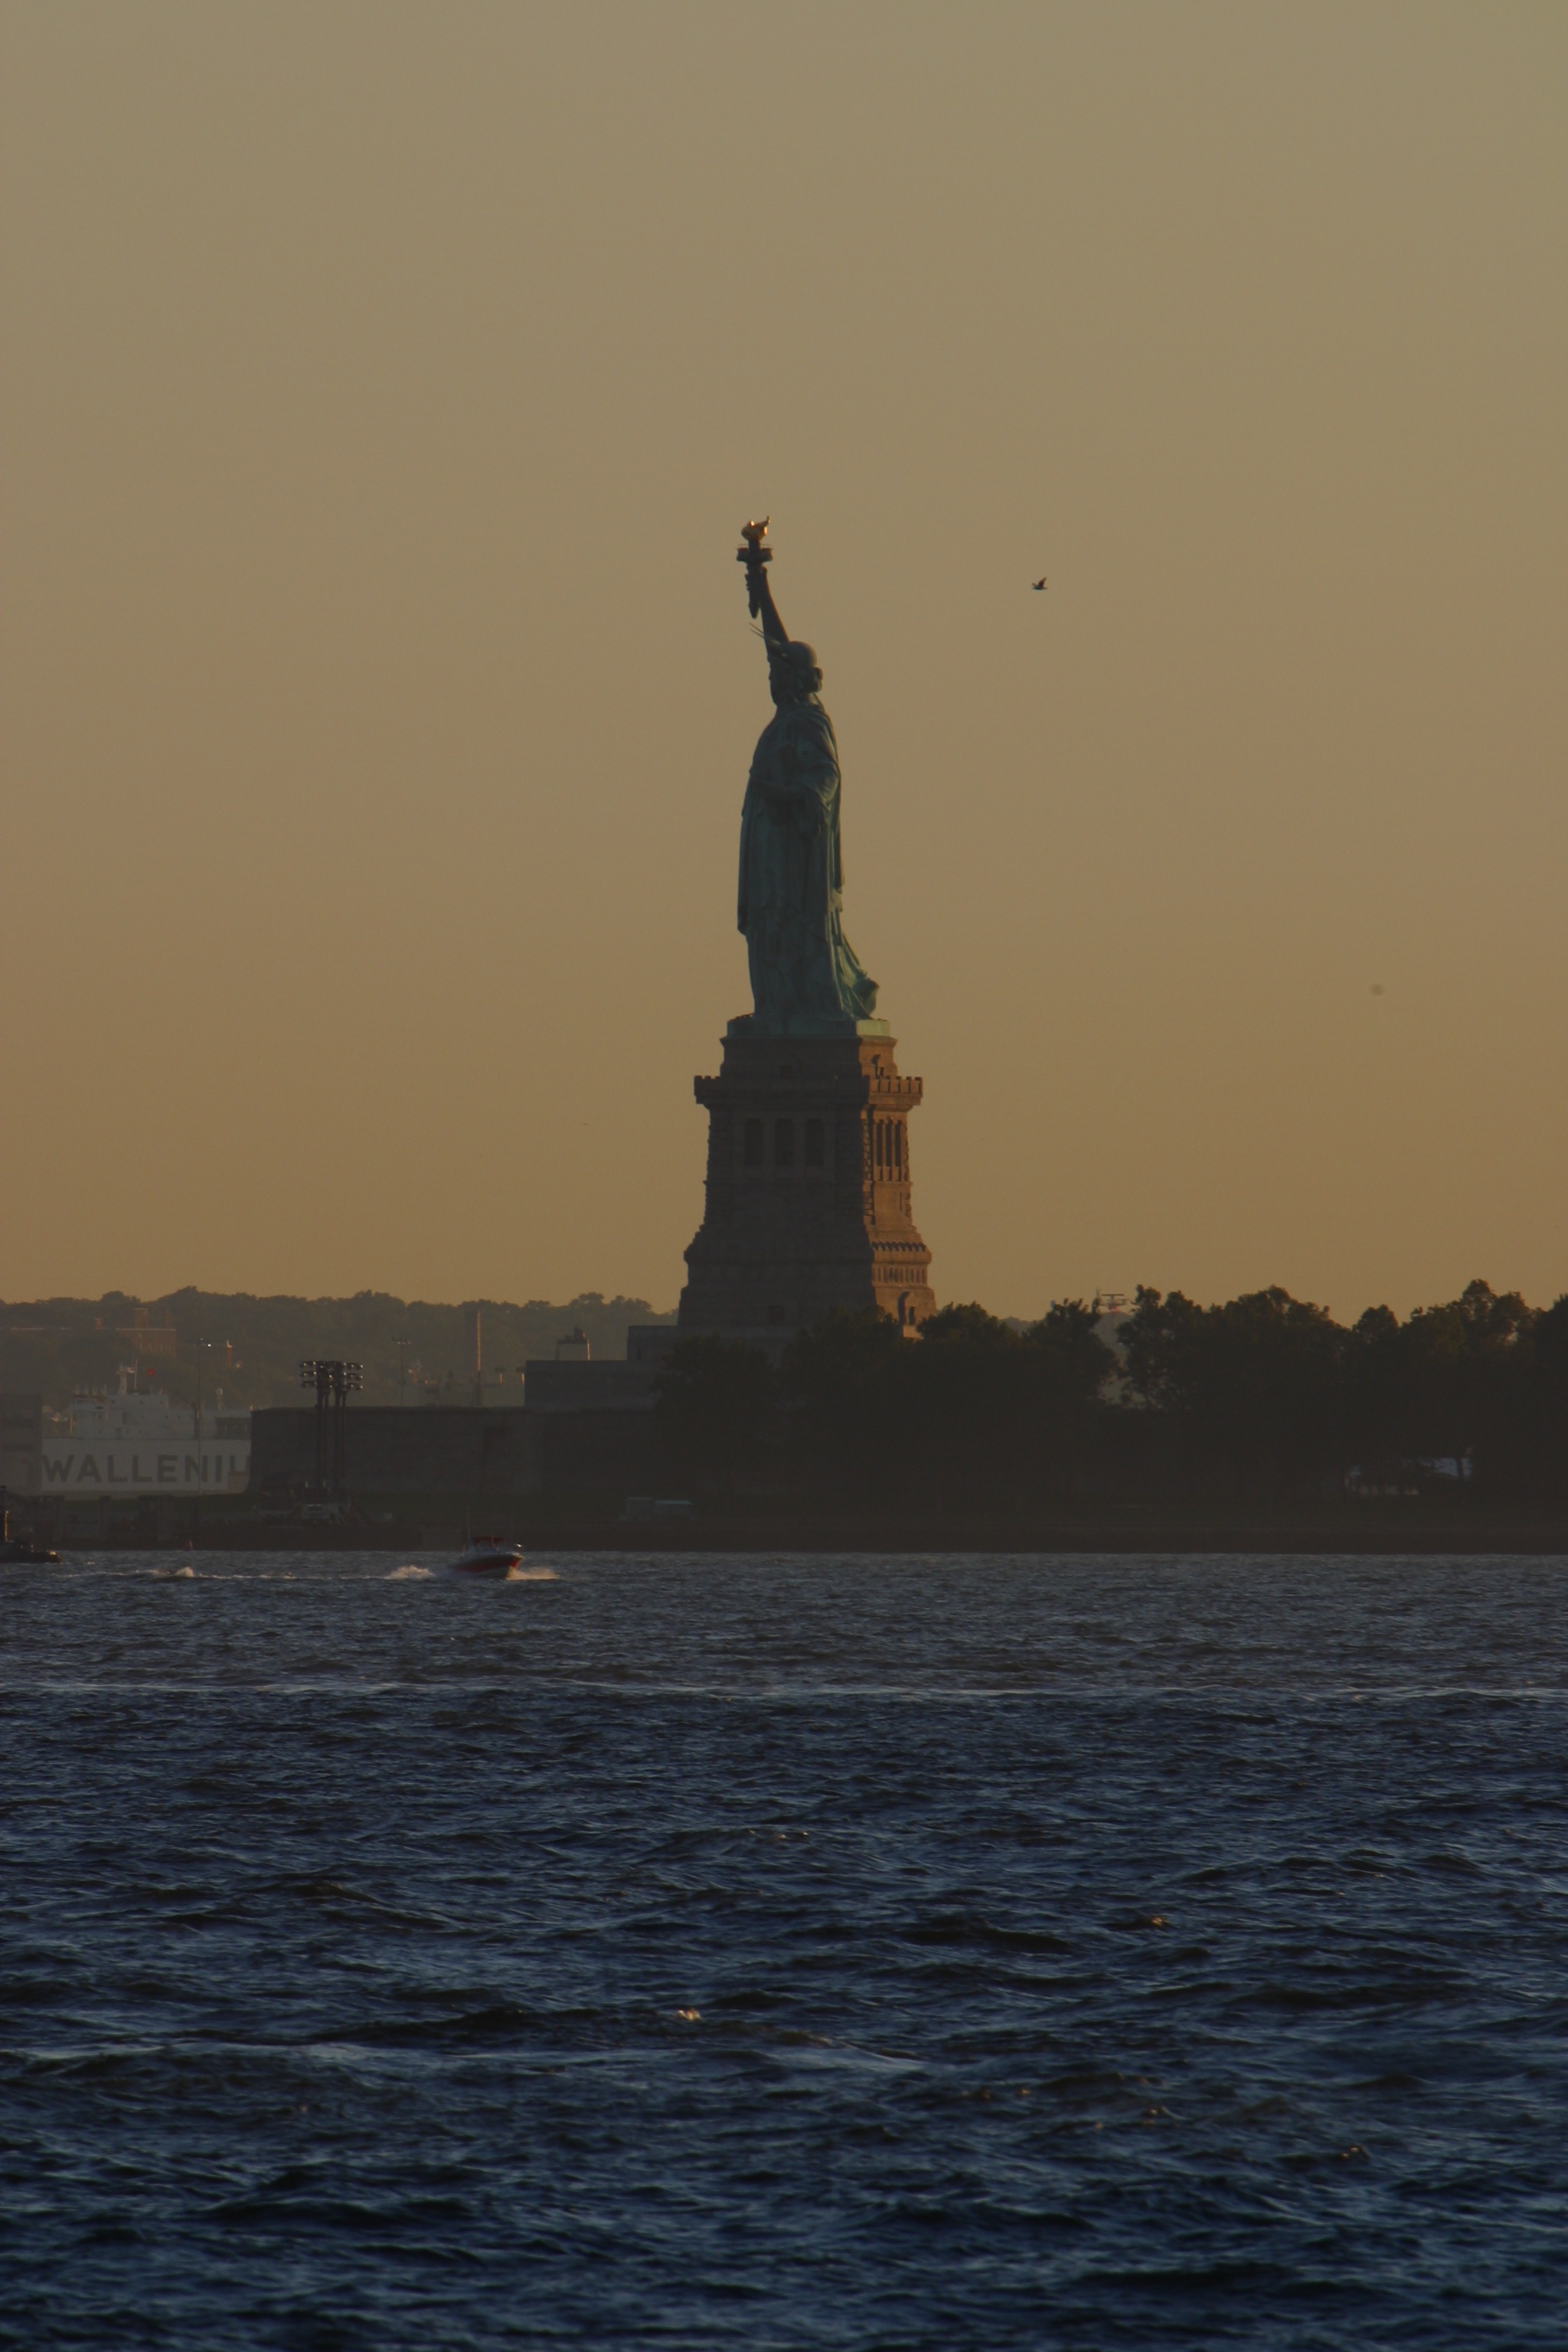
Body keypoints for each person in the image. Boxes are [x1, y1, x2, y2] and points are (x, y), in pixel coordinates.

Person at [736, 557, 878, 1034]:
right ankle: (776, 1008)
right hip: (768, 852)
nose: (771, 679)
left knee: (787, 923)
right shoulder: (786, 720)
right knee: (768, 925)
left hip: (794, 856)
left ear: (796, 679)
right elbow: (778, 647)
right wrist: (761, 587)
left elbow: (826, 776)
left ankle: (796, 1006)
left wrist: (784, 793)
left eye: (778, 675)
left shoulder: (808, 721)